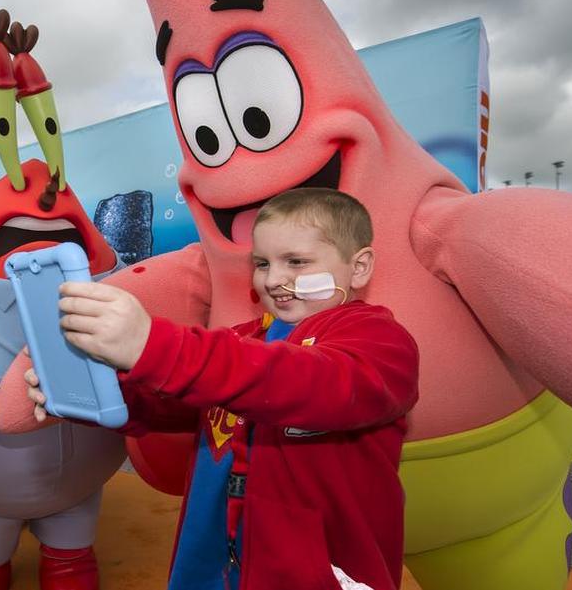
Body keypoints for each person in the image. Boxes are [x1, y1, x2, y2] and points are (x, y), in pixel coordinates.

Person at [26, 188, 419, 590]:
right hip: (220, 560)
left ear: (359, 268)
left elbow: (303, 382)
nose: (274, 279)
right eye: (262, 263)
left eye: (296, 262)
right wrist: (93, 391)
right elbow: (175, 402)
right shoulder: (246, 339)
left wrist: (154, 344)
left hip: (315, 570)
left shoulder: (381, 342)